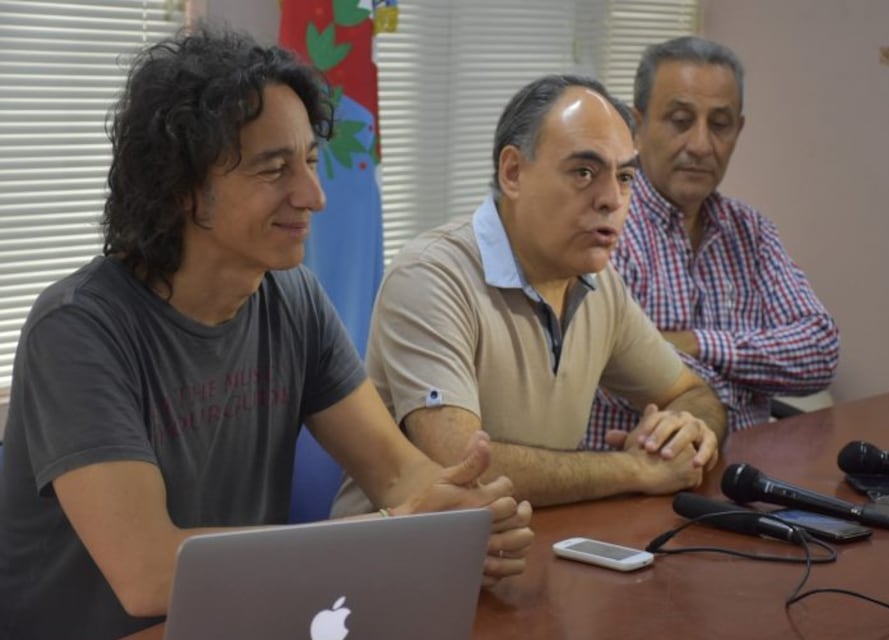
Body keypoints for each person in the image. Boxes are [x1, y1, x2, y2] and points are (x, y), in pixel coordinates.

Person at [0, 27, 532, 640]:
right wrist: (393, 527)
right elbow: (147, 572)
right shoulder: (77, 330)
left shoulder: (291, 296)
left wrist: (466, 515)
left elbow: (395, 473)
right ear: (179, 189)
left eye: (309, 161)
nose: (314, 196)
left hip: (246, 621)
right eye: (274, 169)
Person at [331, 74, 726, 517]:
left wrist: (688, 430)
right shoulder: (431, 276)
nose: (612, 199)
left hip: (530, 544)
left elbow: (693, 393)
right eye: (584, 172)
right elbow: (463, 465)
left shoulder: (598, 283)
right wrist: (633, 469)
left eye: (626, 176)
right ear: (513, 172)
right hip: (397, 565)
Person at [586, 36, 839, 442]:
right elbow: (612, 369)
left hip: (750, 477)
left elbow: (820, 351)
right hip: (635, 484)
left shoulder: (750, 231)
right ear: (637, 127)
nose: (702, 145)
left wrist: (696, 344)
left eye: (719, 125)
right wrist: (750, 365)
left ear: (738, 130)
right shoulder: (603, 229)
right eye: (680, 121)